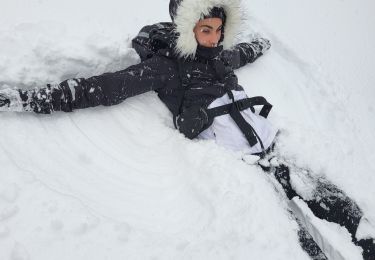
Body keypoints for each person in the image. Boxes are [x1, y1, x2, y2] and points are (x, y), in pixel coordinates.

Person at [0, 0, 374, 258]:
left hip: (270, 143)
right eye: (205, 29)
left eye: (218, 30)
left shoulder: (222, 55)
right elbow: (100, 88)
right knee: (292, 238)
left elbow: (245, 51)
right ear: (187, 29)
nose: (213, 38)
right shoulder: (165, 68)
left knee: (340, 207)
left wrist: (261, 43)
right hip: (238, 166)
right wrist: (26, 99)